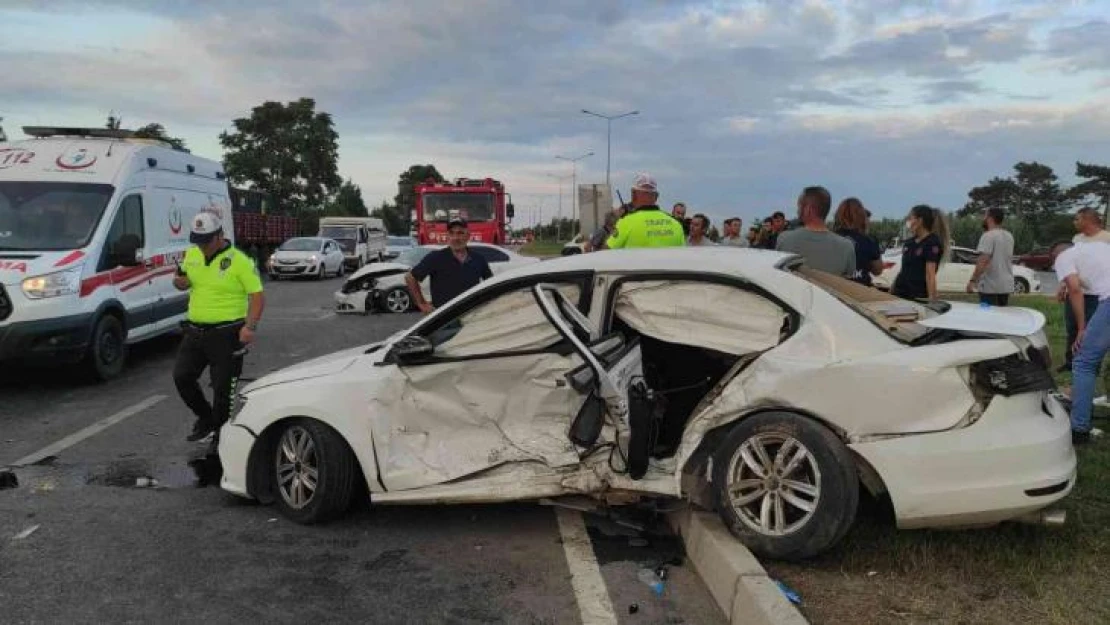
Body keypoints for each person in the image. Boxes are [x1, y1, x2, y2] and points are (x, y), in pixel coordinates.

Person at [173, 210, 265, 442]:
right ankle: (206, 419)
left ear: (219, 236)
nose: (202, 246)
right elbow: (181, 280)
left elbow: (257, 296)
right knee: (182, 377)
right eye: (198, 241)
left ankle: (222, 437)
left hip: (228, 334)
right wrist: (179, 282)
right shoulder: (192, 254)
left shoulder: (240, 261)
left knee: (223, 390)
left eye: (206, 241)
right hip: (195, 331)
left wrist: (250, 327)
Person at [1054, 241, 1110, 444]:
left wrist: (1082, 328)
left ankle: (1079, 429)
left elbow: (1075, 289)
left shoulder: (1063, 257)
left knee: (1084, 362)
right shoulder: (1097, 249)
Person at [1058, 208, 1110, 372]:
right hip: (1074, 291)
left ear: (1087, 220)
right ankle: (1070, 362)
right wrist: (1063, 285)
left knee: (1090, 330)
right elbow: (1070, 265)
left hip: (1097, 295)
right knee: (1072, 327)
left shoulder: (1106, 238)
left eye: (1077, 219)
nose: (1074, 222)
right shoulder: (1077, 239)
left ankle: (1090, 364)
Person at [405, 218, 492, 314]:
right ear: (447, 236)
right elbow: (410, 277)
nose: (455, 238)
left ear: (467, 236)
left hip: (471, 316)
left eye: (460, 233)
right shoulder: (436, 257)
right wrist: (422, 303)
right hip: (444, 319)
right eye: (452, 233)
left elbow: (490, 284)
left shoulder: (478, 259)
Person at [776, 186, 856, 278]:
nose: (797, 211)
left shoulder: (784, 239)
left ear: (808, 209)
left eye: (799, 206)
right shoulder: (847, 246)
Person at [607, 174, 685, 249]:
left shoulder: (625, 223)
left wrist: (610, 225)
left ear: (633, 195)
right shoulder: (676, 225)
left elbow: (605, 253)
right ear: (657, 196)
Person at [890, 204, 949, 301]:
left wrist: (932, 299)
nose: (908, 222)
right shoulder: (909, 243)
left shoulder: (932, 243)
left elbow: (930, 274)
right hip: (900, 293)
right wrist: (892, 288)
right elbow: (903, 269)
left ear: (920, 221)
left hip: (917, 295)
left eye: (911, 218)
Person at [966, 207, 1015, 306]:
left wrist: (972, 281)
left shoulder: (988, 236)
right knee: (1001, 318)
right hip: (1006, 286)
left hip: (989, 287)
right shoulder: (1009, 236)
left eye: (985, 216)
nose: (983, 219)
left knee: (987, 318)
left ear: (990, 218)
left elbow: (983, 261)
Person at [833, 198, 882, 286]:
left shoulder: (830, 237)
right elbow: (877, 271)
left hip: (834, 290)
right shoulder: (869, 240)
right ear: (861, 216)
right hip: (860, 291)